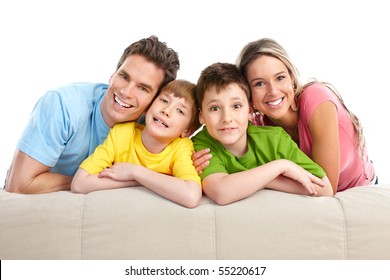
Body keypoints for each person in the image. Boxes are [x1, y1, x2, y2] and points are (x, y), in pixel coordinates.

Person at [5, 35, 180, 194]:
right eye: (124, 77)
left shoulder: (154, 125)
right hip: (41, 204)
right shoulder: (62, 105)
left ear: (154, 101)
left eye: (142, 88)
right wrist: (91, 181)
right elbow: (19, 185)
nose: (126, 92)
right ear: (112, 75)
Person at [235, 38, 375, 194]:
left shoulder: (316, 99)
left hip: (360, 193)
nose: (273, 91)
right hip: (309, 202)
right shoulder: (257, 125)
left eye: (280, 78)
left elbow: (325, 190)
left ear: (292, 79)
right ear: (247, 92)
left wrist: (266, 178)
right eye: (259, 83)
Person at [191, 62, 333, 206]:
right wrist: (280, 167)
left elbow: (325, 188)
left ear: (250, 111)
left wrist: (269, 180)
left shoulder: (275, 139)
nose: (227, 118)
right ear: (201, 116)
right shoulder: (202, 144)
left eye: (236, 106)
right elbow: (221, 193)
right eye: (215, 108)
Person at [71, 79, 202, 208]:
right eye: (164, 100)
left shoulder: (181, 147)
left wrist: (135, 172)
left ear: (187, 131)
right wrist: (136, 180)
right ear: (148, 107)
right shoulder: (122, 133)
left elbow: (191, 196)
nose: (166, 110)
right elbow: (79, 184)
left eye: (180, 111)